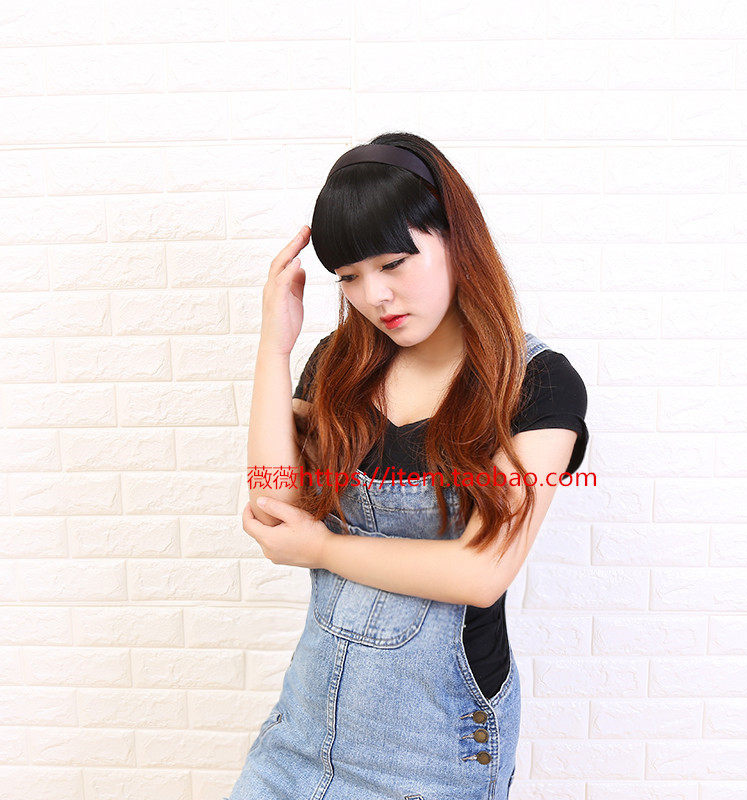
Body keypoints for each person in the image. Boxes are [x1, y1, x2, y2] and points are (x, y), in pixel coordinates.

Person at [233, 132, 589, 800]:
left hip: (435, 751)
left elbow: (483, 572)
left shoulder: (536, 385)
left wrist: (322, 549)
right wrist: (274, 346)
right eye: (348, 277)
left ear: (455, 237)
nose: (375, 296)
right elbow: (275, 503)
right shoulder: (340, 363)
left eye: (394, 263)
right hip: (303, 733)